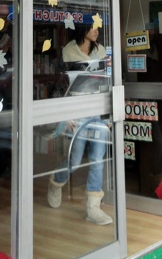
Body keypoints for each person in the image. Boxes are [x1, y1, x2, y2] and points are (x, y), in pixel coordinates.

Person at [47, 23, 113, 225]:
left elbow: (108, 82)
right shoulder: (68, 51)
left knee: (97, 159)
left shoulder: (101, 51)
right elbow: (58, 85)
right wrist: (64, 114)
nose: (97, 31)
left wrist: (108, 115)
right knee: (74, 160)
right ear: (82, 29)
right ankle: (56, 182)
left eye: (98, 27)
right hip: (77, 111)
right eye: (93, 27)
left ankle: (93, 207)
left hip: (98, 110)